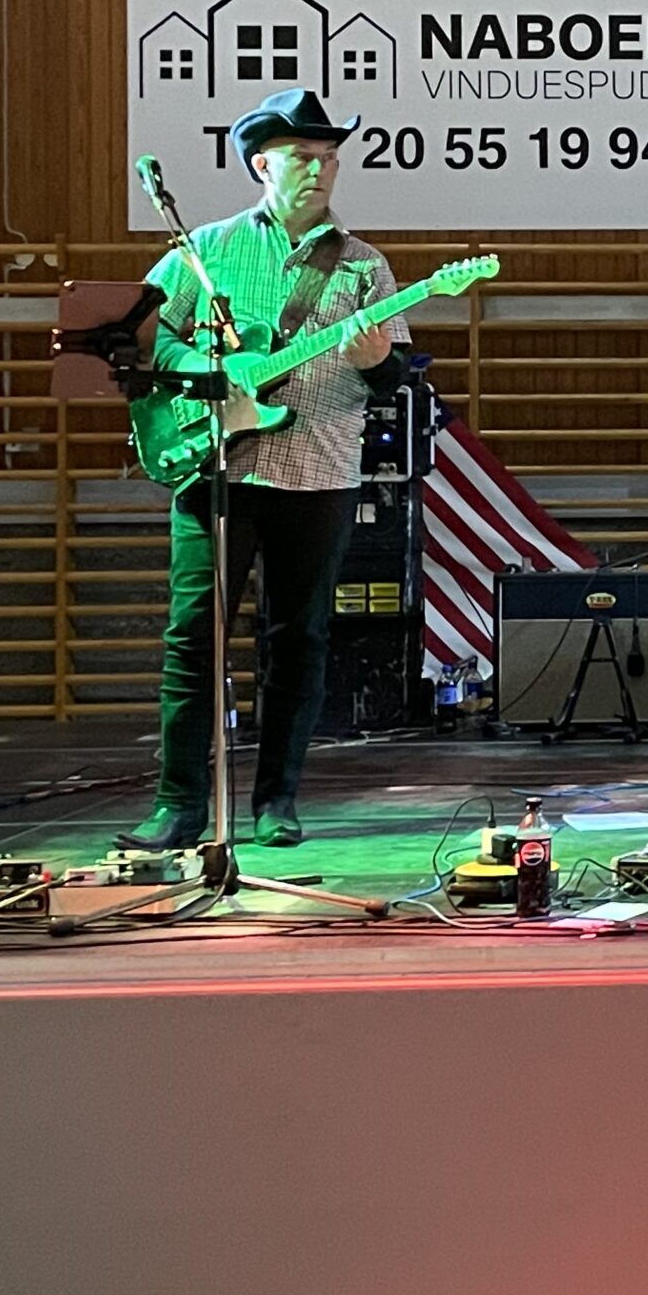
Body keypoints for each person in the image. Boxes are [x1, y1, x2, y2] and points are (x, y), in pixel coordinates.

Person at [119, 89, 413, 850]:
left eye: (330, 158)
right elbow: (147, 337)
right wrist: (215, 372)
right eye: (302, 157)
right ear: (261, 165)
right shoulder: (207, 249)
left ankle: (277, 801)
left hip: (320, 471)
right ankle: (179, 805)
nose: (320, 169)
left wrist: (377, 360)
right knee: (194, 636)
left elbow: (395, 379)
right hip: (217, 466)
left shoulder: (364, 266)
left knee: (299, 640)